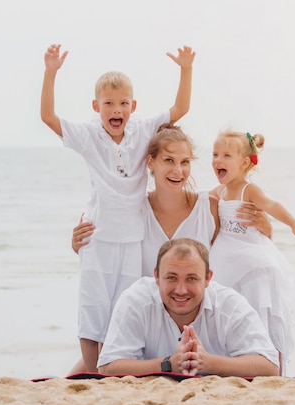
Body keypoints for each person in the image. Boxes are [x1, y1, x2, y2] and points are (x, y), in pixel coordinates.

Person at [68, 124, 273, 376]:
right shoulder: (131, 211)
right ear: (150, 162)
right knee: (84, 374)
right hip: (145, 323)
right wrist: (80, 244)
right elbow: (106, 255)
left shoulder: (208, 207)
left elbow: (240, 246)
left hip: (194, 317)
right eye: (169, 161)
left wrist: (266, 227)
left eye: (185, 162)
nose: (178, 171)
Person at [40, 43, 196, 373]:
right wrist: (51, 73)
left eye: (123, 103)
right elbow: (48, 118)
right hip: (97, 236)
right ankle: (95, 371)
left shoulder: (142, 131)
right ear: (96, 106)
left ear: (133, 106)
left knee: (123, 307)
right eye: (109, 103)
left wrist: (185, 68)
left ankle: (112, 367)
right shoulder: (88, 136)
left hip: (132, 237)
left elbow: (180, 108)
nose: (116, 109)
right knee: (93, 307)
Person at [97, 238, 280, 377]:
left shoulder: (229, 305)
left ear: (208, 278)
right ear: (157, 277)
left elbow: (270, 366)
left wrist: (208, 363)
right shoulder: (135, 300)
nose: (181, 290)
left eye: (191, 278)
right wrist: (168, 364)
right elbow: (107, 366)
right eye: (171, 278)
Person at [209, 130, 295, 375]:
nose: (217, 160)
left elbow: (272, 205)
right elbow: (194, 201)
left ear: (244, 163)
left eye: (226, 156)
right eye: (214, 154)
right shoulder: (219, 192)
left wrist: (294, 223)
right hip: (226, 257)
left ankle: (268, 364)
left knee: (257, 309)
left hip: (252, 259)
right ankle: (234, 363)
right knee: (228, 310)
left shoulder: (248, 189)